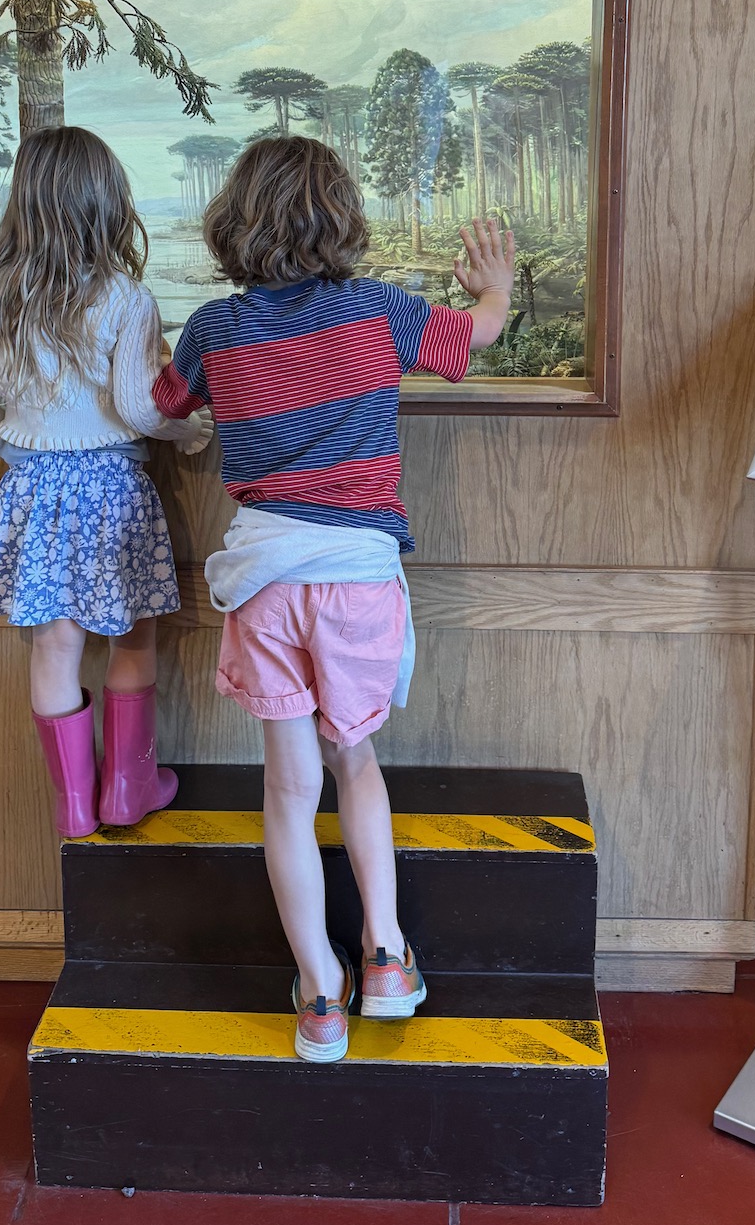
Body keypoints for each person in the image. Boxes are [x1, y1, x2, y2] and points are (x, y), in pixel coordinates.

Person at [153, 136, 516, 1064]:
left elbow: (164, 404)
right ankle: (387, 961)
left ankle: (320, 994)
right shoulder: (379, 311)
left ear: (235, 220)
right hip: (357, 579)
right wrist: (495, 288)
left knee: (286, 787)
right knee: (355, 762)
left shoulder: (213, 330)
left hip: (266, 579)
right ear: (341, 218)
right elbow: (472, 337)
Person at [0, 127, 211, 840]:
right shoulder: (126, 296)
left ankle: (74, 805)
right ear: (108, 204)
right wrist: (193, 432)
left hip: (32, 492)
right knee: (132, 634)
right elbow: (138, 406)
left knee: (55, 644)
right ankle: (129, 788)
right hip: (112, 491)